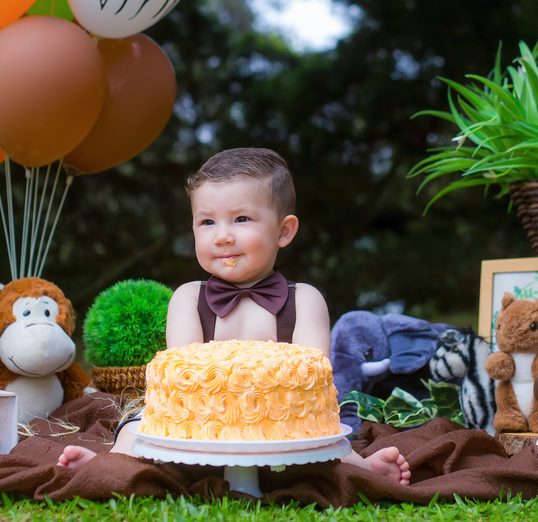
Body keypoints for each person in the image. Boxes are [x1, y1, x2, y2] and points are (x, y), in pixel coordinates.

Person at [58, 148, 411, 484]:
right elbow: (187, 375)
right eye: (207, 222)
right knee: (137, 427)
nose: (223, 236)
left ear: (284, 231)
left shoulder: (304, 300)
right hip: (199, 427)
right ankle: (112, 466)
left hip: (281, 424)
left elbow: (312, 373)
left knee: (327, 436)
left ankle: (363, 468)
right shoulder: (188, 298)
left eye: (241, 219)